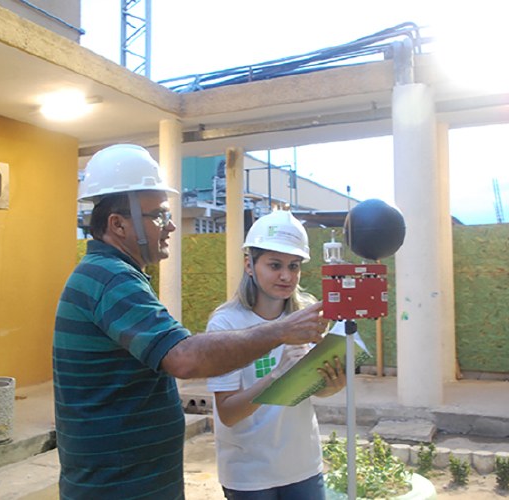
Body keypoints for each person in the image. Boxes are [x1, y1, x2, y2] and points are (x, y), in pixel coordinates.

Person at [52, 144, 328, 500]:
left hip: (132, 479)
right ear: (117, 224)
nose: (169, 227)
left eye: (294, 265)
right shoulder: (110, 279)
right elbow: (184, 358)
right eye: (158, 216)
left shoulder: (115, 276)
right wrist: (281, 332)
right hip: (118, 485)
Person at [206, 210, 347, 500]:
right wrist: (278, 374)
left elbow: (309, 390)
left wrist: (331, 384)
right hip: (249, 474)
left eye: (294, 266)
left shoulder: (307, 315)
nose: (286, 276)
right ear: (249, 265)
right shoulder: (225, 324)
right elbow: (229, 413)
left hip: (303, 466)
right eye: (274, 265)